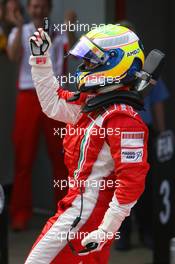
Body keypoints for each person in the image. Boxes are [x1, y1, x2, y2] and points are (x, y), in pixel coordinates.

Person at [25, 24, 150, 263]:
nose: (85, 67)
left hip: (86, 213)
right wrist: (40, 58)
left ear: (118, 62)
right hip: (83, 209)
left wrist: (105, 230)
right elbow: (52, 103)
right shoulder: (94, 102)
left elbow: (131, 183)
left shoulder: (123, 118)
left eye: (92, 61)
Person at [6, 0, 76, 231]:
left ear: (48, 9)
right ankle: (20, 213)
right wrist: (16, 27)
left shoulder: (59, 30)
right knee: (23, 159)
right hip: (28, 95)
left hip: (54, 95)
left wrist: (71, 27)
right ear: (30, 9)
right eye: (34, 6)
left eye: (42, 7)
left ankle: (64, 212)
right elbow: (12, 56)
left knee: (61, 156)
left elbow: (72, 55)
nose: (38, 10)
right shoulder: (21, 30)